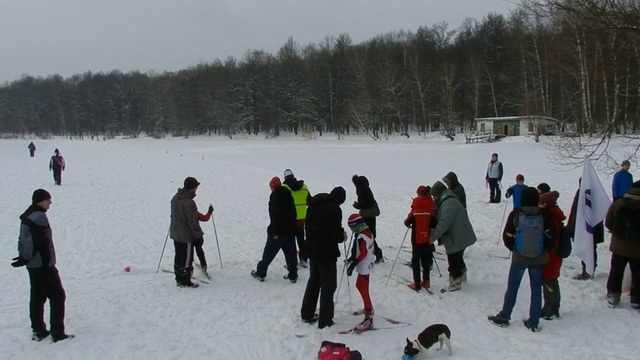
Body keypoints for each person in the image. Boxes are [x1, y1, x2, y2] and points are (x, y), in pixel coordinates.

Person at [488, 187, 555, 332]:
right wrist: (542, 248)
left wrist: (515, 249)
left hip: (519, 257)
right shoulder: (544, 214)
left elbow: (507, 235)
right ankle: (533, 321)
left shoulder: (516, 214)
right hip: (538, 257)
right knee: (536, 289)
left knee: (512, 287)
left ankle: (505, 316)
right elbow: (552, 237)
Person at [12, 189, 73, 342]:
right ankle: (58, 333)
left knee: (37, 297)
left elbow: (25, 239)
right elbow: (37, 241)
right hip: (43, 265)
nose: (50, 203)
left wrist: (24, 258)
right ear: (40, 201)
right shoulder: (39, 218)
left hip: (33, 265)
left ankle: (38, 330)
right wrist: (27, 257)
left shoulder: (28, 215)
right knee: (58, 296)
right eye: (48, 200)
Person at [300, 186, 347, 329]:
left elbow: (309, 227)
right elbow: (334, 232)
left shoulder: (314, 205)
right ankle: (325, 320)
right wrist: (342, 236)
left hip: (312, 250)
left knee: (314, 282)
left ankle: (306, 313)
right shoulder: (334, 210)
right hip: (326, 253)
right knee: (328, 286)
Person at [429, 181, 477, 291]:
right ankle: (462, 275)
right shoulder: (447, 200)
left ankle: (456, 281)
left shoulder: (448, 204)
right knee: (458, 256)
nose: (433, 198)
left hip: (457, 236)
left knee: (453, 259)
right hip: (460, 234)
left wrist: (434, 236)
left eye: (434, 196)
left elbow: (444, 222)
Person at [251, 177, 298, 283]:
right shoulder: (289, 195)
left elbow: (275, 215)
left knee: (268, 254)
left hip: (279, 233)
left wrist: (274, 231)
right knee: (291, 254)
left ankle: (261, 273)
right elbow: (294, 213)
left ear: (272, 187)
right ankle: (293, 275)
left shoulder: (275, 196)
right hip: (289, 231)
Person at [604, 180, 640, 308]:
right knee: (637, 273)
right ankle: (636, 299)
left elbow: (608, 223)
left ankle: (613, 295)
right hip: (637, 248)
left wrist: (618, 234)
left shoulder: (619, 204)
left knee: (616, 270)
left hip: (618, 246)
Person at [170, 177, 205, 288]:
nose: (196, 189)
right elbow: (193, 222)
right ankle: (185, 281)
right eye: (196, 187)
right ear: (192, 188)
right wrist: (198, 236)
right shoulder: (189, 203)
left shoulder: (175, 198)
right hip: (186, 236)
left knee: (179, 256)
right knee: (186, 259)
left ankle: (178, 277)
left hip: (176, 233)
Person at [567, 177, 605, 280]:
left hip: (590, 227)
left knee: (589, 247)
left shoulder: (592, 194)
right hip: (584, 226)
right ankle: (587, 269)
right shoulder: (583, 193)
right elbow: (575, 211)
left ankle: (588, 270)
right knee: (588, 247)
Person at [345, 213, 376, 331]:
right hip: (368, 263)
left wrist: (353, 264)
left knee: (362, 287)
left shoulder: (361, 237)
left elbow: (363, 253)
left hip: (364, 264)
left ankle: (369, 316)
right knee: (361, 286)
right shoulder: (367, 231)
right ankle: (368, 308)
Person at [539, 191, 566, 320]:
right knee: (553, 281)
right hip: (556, 254)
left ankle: (549, 309)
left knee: (548, 280)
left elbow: (549, 237)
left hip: (551, 254)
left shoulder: (550, 217)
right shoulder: (556, 215)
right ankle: (555, 307)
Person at [404, 185, 435, 291]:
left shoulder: (415, 212)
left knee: (416, 261)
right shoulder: (429, 207)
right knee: (426, 260)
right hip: (426, 238)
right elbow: (434, 223)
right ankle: (426, 281)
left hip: (416, 240)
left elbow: (406, 222)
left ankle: (417, 283)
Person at [282, 169, 312, 268]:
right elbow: (309, 201)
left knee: (291, 242)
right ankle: (304, 260)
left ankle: (292, 262)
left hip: (289, 220)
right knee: (301, 240)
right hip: (302, 219)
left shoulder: (284, 188)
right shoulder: (304, 187)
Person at [352, 175, 383, 263]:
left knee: (368, 236)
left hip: (369, 217)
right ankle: (354, 255)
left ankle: (379, 254)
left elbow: (368, 204)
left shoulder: (365, 190)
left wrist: (359, 205)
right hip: (365, 216)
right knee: (359, 235)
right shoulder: (361, 188)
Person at [195, 204, 215, 271]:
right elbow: (205, 218)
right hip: (197, 234)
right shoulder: (194, 212)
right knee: (199, 250)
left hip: (187, 236)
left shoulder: (182, 212)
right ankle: (204, 265)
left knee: (187, 251)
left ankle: (187, 268)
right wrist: (210, 212)